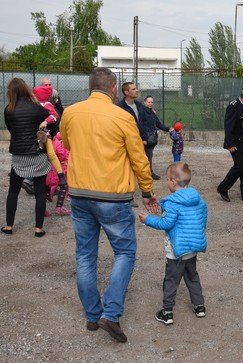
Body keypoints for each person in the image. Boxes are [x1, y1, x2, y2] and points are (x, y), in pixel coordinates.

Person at [60, 67, 159, 343]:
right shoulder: (122, 116)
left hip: (80, 194)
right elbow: (139, 158)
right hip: (112, 196)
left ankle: (93, 315)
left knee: (85, 255)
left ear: (90, 87)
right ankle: (111, 314)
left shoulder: (71, 113)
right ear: (114, 87)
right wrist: (147, 191)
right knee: (125, 252)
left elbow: (67, 143)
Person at [138, 162, 207, 325]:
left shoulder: (172, 202)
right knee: (192, 276)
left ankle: (167, 312)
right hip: (192, 247)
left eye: (168, 179)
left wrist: (148, 220)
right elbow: (203, 217)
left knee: (171, 279)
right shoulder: (197, 198)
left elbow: (166, 223)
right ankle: (199, 306)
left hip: (177, 249)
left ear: (174, 182)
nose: (167, 182)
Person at [2, 78, 50, 237]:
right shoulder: (38, 108)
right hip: (37, 153)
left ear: (11, 92)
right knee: (40, 192)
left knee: (13, 191)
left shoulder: (8, 109)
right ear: (26, 89)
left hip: (19, 155)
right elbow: (50, 124)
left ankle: (9, 226)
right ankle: (38, 229)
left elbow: (11, 130)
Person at [116, 82, 148, 208]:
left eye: (136, 88)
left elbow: (143, 123)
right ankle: (127, 197)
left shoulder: (139, 106)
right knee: (125, 169)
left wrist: (144, 138)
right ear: (126, 92)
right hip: (124, 143)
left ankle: (131, 195)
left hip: (138, 141)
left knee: (138, 167)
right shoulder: (119, 107)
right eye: (133, 89)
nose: (137, 90)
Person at [141, 96, 172, 179]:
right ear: (145, 102)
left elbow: (159, 124)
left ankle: (149, 173)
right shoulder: (141, 112)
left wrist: (168, 129)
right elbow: (140, 125)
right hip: (144, 138)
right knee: (144, 157)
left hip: (151, 139)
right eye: (149, 102)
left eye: (152, 102)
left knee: (149, 156)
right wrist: (143, 138)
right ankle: (146, 174)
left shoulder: (152, 113)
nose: (150, 104)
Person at [44, 132, 71, 216]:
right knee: (64, 186)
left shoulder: (46, 141)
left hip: (45, 168)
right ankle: (59, 207)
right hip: (56, 169)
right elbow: (62, 155)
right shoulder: (57, 143)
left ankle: (42, 208)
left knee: (45, 187)